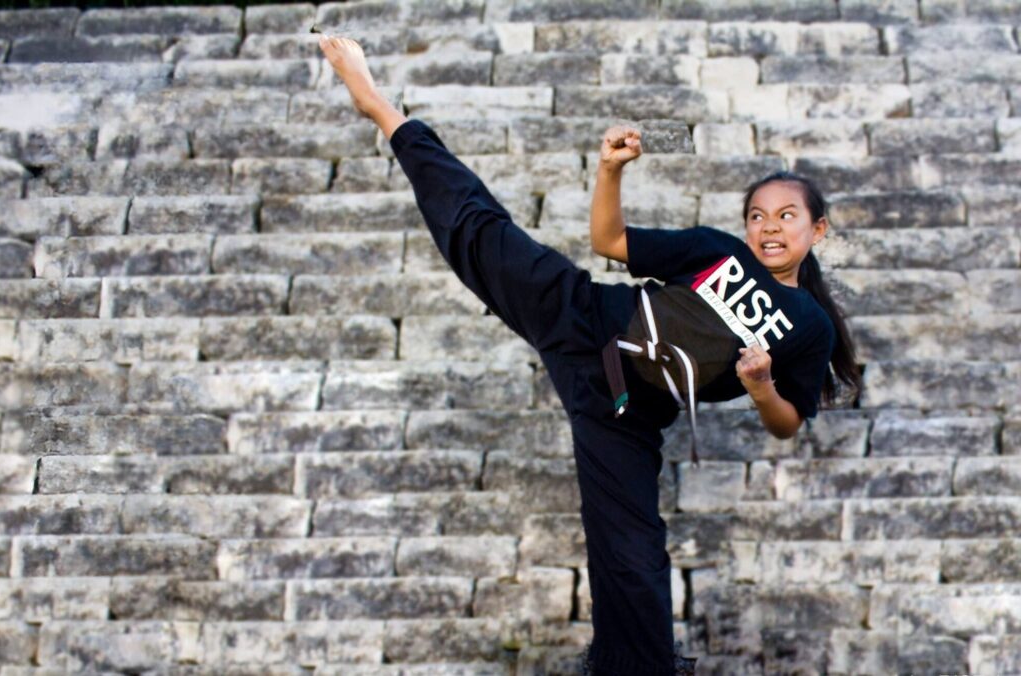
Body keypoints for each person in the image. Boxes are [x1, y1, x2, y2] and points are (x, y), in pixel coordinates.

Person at [317, 34, 862, 676]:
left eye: (788, 217)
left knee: (631, 557)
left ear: (816, 230)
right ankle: (380, 106)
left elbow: (788, 422)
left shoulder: (808, 325)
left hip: (625, 411)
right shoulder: (720, 250)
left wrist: (763, 385)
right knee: (479, 233)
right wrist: (611, 169)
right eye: (759, 216)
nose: (770, 228)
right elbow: (608, 239)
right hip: (585, 320)